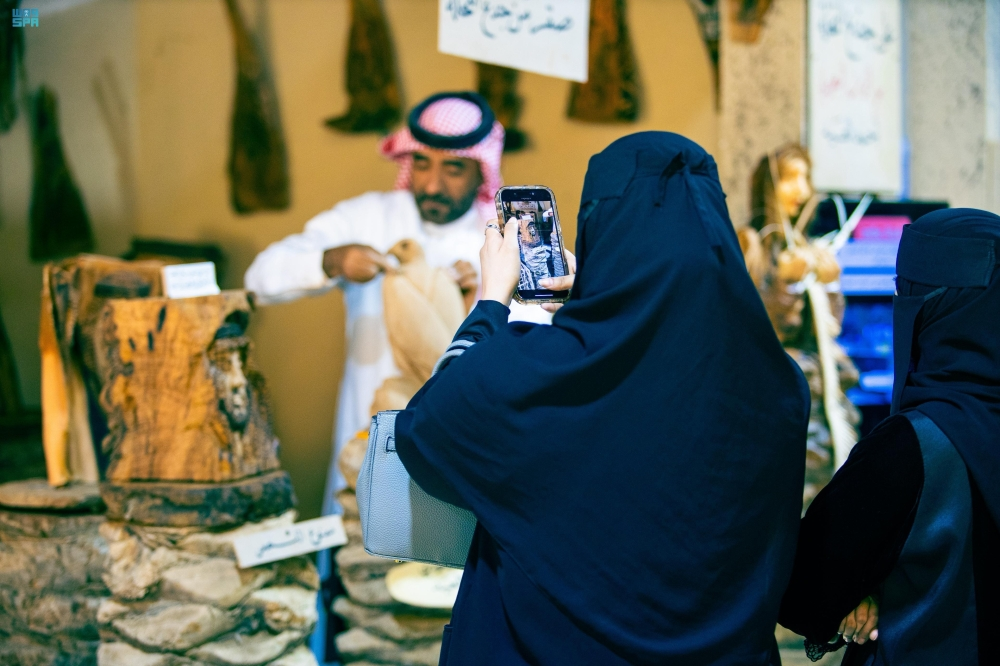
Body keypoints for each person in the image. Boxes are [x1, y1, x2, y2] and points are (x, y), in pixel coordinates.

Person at [394, 132, 810, 665]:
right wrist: (593, 308)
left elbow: (426, 430)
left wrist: (492, 302)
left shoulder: (535, 373)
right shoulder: (780, 389)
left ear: (598, 230)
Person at [243, 91, 549, 661]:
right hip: (365, 450)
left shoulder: (507, 234)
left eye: (453, 169)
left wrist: (491, 296)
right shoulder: (369, 217)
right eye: (423, 165)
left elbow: (551, 341)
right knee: (361, 613)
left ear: (481, 169)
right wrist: (330, 261)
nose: (432, 185)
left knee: (456, 609)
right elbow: (261, 277)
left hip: (464, 459)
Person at [778, 208, 1000, 666]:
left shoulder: (915, 445)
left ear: (930, 308)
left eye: (905, 291)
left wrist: (869, 588)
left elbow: (805, 585)